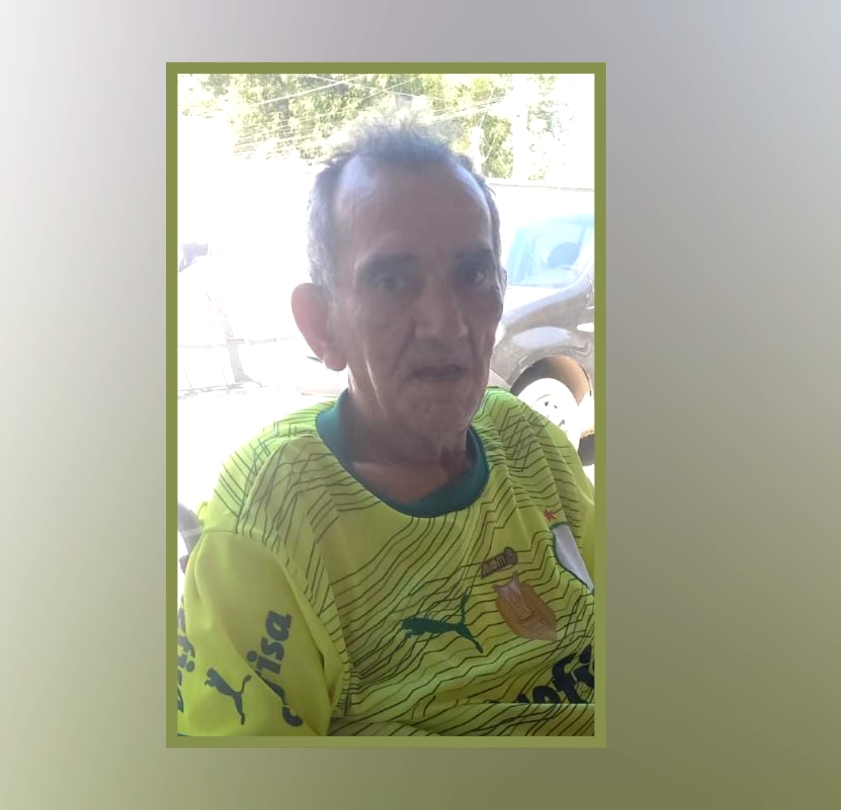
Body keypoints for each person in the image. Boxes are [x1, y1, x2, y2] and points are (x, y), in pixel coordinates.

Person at [177, 125, 596, 736]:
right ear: (323, 325)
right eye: (392, 281)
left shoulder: (526, 439)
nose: (446, 324)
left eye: (473, 276)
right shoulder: (268, 520)